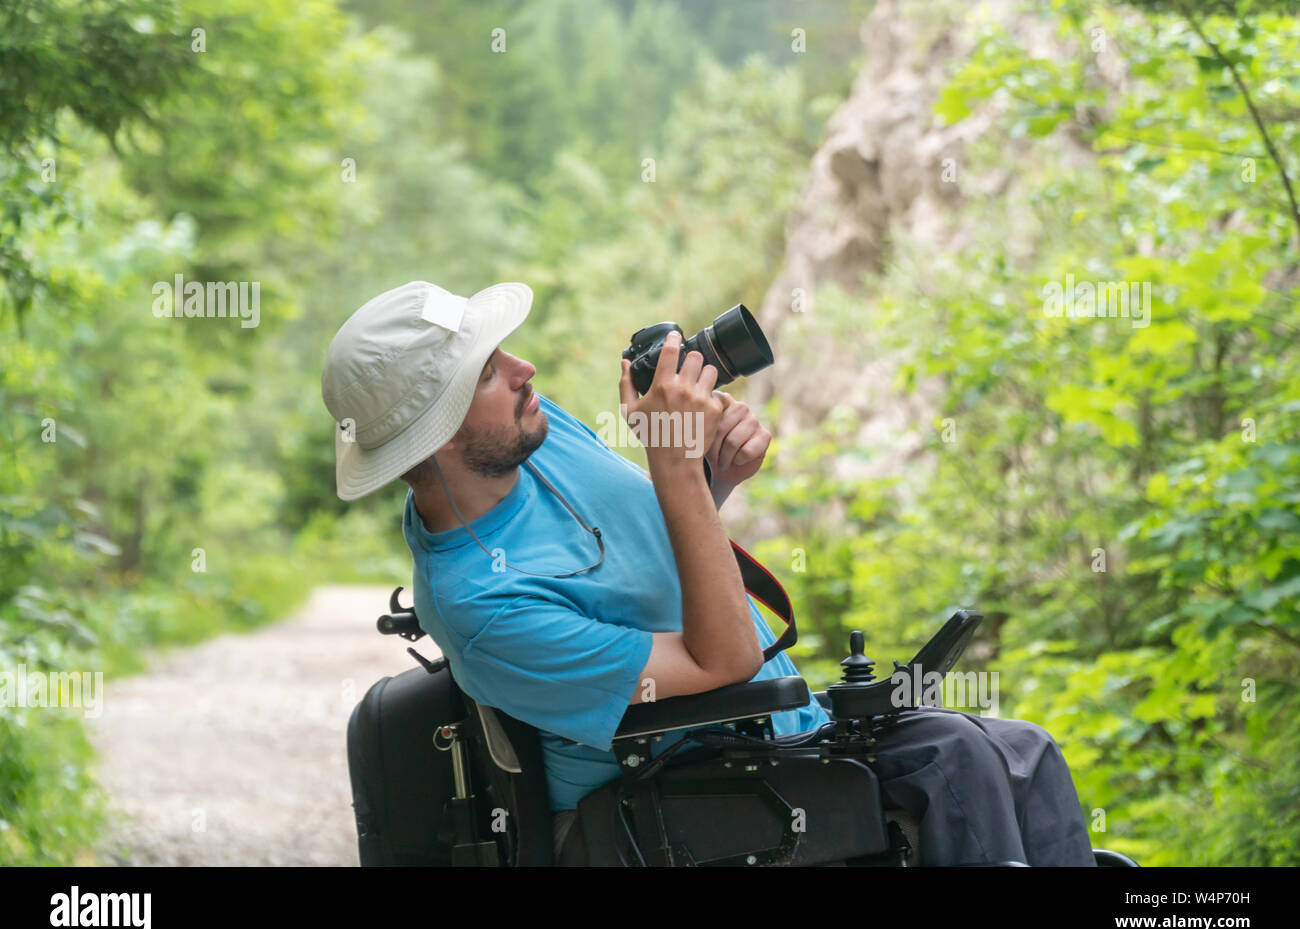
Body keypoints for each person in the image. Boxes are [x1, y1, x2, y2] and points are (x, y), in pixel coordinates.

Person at [321, 279, 1099, 867]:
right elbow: (719, 661)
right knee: (958, 761)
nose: (524, 368)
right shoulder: (480, 605)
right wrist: (674, 469)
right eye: (490, 372)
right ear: (437, 432)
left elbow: (652, 553)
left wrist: (706, 472)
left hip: (764, 736)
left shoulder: (528, 435)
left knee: (1025, 754)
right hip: (666, 792)